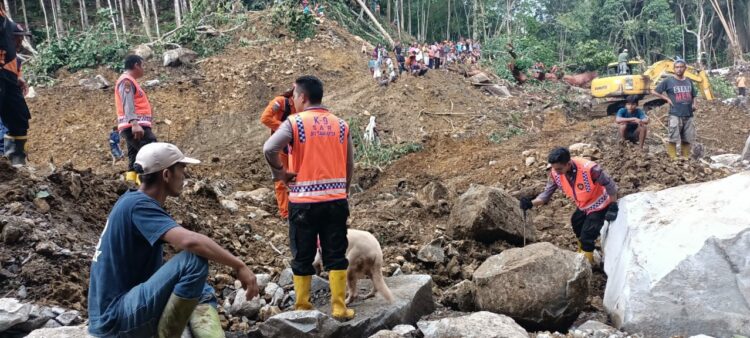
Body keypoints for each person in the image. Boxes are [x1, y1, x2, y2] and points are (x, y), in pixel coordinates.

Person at [88, 142, 259, 338]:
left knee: (201, 288)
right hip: (114, 321)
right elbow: (190, 242)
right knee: (193, 262)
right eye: (182, 169)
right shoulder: (139, 206)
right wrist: (239, 265)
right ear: (166, 175)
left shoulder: (133, 201)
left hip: (119, 311)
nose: (185, 175)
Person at [263, 75, 356, 321]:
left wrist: (281, 174)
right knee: (336, 254)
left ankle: (303, 307)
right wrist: (342, 191)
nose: (293, 100)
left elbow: (269, 149)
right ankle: (339, 307)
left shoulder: (294, 123)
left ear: (303, 97)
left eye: (294, 96)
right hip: (335, 200)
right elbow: (349, 163)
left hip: (303, 202)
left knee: (303, 255)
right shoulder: (341, 125)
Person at [520, 147, 619, 264]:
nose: (556, 171)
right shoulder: (555, 173)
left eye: (559, 169)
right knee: (576, 223)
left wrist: (613, 204)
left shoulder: (590, 169)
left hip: (600, 204)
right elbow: (546, 195)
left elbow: (610, 185)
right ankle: (582, 253)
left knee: (588, 235)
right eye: (553, 168)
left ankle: (587, 264)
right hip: (583, 205)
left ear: (568, 164)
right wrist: (531, 203)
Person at [116, 55, 158, 184]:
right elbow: (127, 102)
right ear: (136, 65)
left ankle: (131, 184)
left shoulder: (129, 81)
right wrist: (134, 123)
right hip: (135, 126)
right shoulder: (126, 81)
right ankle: (148, 183)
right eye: (142, 65)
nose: (143, 69)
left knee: (134, 155)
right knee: (151, 150)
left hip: (132, 125)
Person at [0, 8, 32, 166]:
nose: (20, 42)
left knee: (20, 117)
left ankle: (17, 164)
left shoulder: (16, 59)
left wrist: (17, 78)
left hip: (8, 80)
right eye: (16, 39)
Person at [260, 88, 297, 220]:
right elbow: (265, 118)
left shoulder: (303, 108)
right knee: (281, 181)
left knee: (296, 177)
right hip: (282, 145)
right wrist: (285, 128)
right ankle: (285, 213)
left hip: (294, 146)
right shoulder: (280, 102)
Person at [652, 58, 698, 159]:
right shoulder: (669, 81)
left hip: (689, 114)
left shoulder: (688, 80)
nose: (679, 69)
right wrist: (666, 98)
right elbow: (654, 91)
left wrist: (694, 104)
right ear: (674, 69)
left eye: (681, 67)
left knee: (687, 138)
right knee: (673, 137)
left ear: (685, 68)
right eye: (677, 67)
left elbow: (694, 94)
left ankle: (685, 158)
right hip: (675, 113)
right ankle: (673, 158)